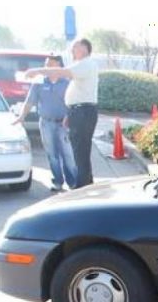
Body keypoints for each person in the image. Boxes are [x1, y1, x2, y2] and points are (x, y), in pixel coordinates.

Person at [26, 38, 98, 188]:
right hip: (79, 112)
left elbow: (62, 72)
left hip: (83, 111)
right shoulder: (83, 65)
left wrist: (38, 70)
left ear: (84, 48)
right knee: (81, 152)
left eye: (74, 48)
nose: (72, 51)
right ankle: (86, 185)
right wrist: (70, 114)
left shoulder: (86, 64)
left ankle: (82, 187)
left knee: (79, 153)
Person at [14, 56, 77, 192]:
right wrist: (21, 117)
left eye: (51, 65)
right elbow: (30, 101)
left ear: (59, 66)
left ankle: (73, 183)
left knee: (67, 154)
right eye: (46, 64)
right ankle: (57, 182)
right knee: (52, 154)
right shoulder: (39, 82)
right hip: (46, 123)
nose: (47, 68)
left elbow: (73, 103)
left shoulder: (67, 82)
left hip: (64, 124)